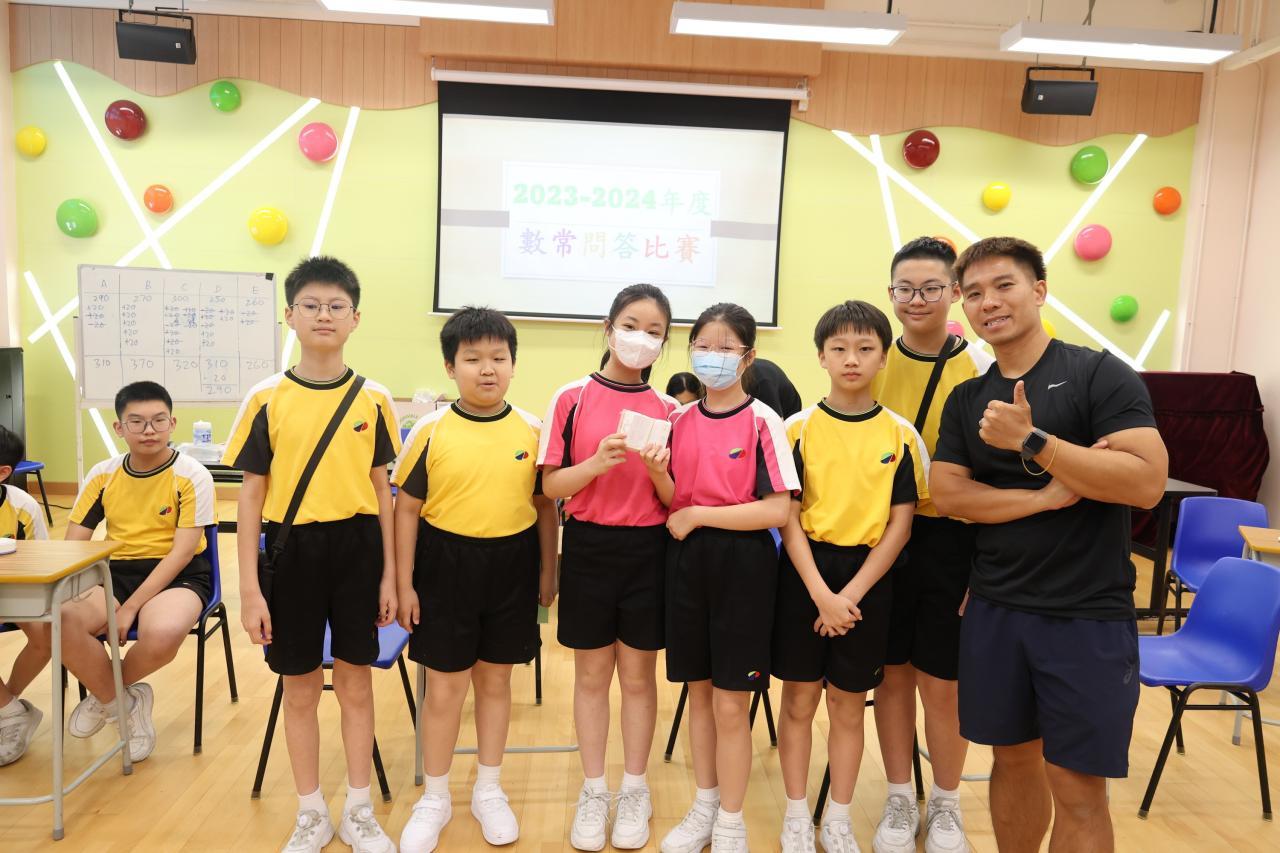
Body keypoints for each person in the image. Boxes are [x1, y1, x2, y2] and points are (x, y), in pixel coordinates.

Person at [930, 237, 1167, 852]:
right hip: (996, 608)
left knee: (1078, 786)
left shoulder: (1097, 374)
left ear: (1039, 291)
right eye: (973, 293)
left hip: (1086, 613)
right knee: (1012, 759)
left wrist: (1033, 442)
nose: (988, 302)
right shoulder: (968, 398)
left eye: (1003, 285)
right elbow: (949, 494)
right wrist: (1049, 495)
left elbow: (1146, 482)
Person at [226, 256, 401, 853]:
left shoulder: (373, 397)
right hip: (291, 551)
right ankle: (310, 812)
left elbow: (383, 491)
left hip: (358, 548)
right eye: (311, 305)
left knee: (356, 682)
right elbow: (251, 497)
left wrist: (390, 577)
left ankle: (359, 808)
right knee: (298, 687)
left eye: (336, 306)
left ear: (355, 318)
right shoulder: (265, 397)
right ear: (290, 315)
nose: (324, 315)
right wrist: (249, 589)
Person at [394, 307, 559, 853]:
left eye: (498, 358)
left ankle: (489, 788)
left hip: (512, 566)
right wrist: (404, 583)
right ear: (450, 366)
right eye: (472, 359)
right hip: (444, 566)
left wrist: (549, 570)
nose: (487, 369)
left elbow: (545, 507)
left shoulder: (532, 430)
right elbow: (406, 509)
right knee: (444, 686)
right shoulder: (430, 430)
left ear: (513, 364)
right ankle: (435, 796)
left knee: (495, 682)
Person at [775, 301, 927, 853]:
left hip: (868, 583)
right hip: (805, 576)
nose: (852, 359)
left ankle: (838, 817)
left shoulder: (901, 435)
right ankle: (796, 815)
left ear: (883, 357)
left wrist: (849, 596)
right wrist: (821, 594)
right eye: (838, 348)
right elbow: (787, 517)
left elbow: (901, 525)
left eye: (865, 348)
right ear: (821, 356)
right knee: (798, 701)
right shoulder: (796, 429)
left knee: (847, 702)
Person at [652, 303, 799, 853]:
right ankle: (705, 805)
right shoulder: (678, 422)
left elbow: (776, 509)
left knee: (732, 702)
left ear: (748, 356)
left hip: (744, 568)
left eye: (725, 347)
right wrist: (656, 474)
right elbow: (676, 502)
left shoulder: (764, 421)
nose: (712, 356)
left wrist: (699, 515)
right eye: (703, 346)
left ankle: (732, 821)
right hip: (688, 565)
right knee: (699, 693)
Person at [539, 285, 678, 851]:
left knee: (639, 679)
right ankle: (595, 789)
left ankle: (635, 789)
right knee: (592, 677)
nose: (640, 338)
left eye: (654, 331)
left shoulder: (669, 410)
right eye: (631, 324)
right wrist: (595, 464)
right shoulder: (571, 398)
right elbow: (551, 487)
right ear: (608, 327)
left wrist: (658, 473)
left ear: (665, 342)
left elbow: (675, 500)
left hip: (649, 551)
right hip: (589, 548)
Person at [869, 237, 993, 853]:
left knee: (943, 682)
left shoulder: (981, 369)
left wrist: (984, 568)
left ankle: (945, 803)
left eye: (931, 288)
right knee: (891, 676)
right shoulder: (870, 358)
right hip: (879, 538)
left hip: (953, 539)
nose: (916, 300)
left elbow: (994, 478)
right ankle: (899, 797)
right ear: (890, 293)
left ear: (954, 293)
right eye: (905, 289)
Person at [58, 382, 215, 764]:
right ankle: (123, 704)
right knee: (59, 619)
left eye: (159, 420)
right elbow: (75, 543)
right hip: (113, 572)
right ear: (119, 428)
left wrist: (129, 608)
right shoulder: (103, 474)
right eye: (137, 422)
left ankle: (105, 695)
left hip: (178, 574)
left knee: (162, 633)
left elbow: (182, 553)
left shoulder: (192, 475)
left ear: (172, 423)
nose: (149, 430)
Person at [0, 424, 51, 767]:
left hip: (19, 589)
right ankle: (10, 712)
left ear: (3, 472)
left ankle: (8, 707)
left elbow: (44, 563)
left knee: (47, 638)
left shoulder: (22, 507)